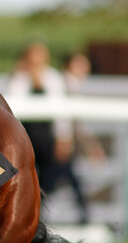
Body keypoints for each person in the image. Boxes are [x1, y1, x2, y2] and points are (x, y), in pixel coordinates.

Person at [7, 43, 90, 221]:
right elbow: (12, 111)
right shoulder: (19, 79)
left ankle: (44, 216)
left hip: (48, 138)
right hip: (25, 138)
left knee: (57, 177)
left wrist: (64, 138)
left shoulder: (53, 78)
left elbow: (61, 112)